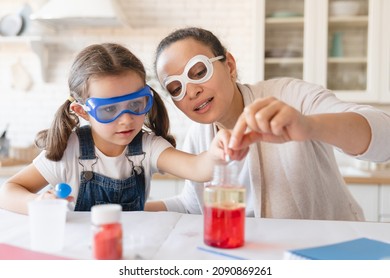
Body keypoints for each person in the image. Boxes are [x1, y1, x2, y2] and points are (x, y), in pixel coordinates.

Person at [146, 27, 390, 221]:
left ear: (229, 66)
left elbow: (384, 138)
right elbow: (192, 206)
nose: (191, 91)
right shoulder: (198, 137)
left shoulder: (290, 96)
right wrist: (126, 210)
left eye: (199, 72)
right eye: (176, 88)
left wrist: (309, 126)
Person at [0, 43, 246, 215]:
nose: (127, 120)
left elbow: (197, 168)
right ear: (83, 111)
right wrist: (38, 202)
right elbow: (8, 191)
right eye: (109, 110)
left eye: (136, 104)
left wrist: (216, 152)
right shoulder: (69, 150)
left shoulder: (147, 146)